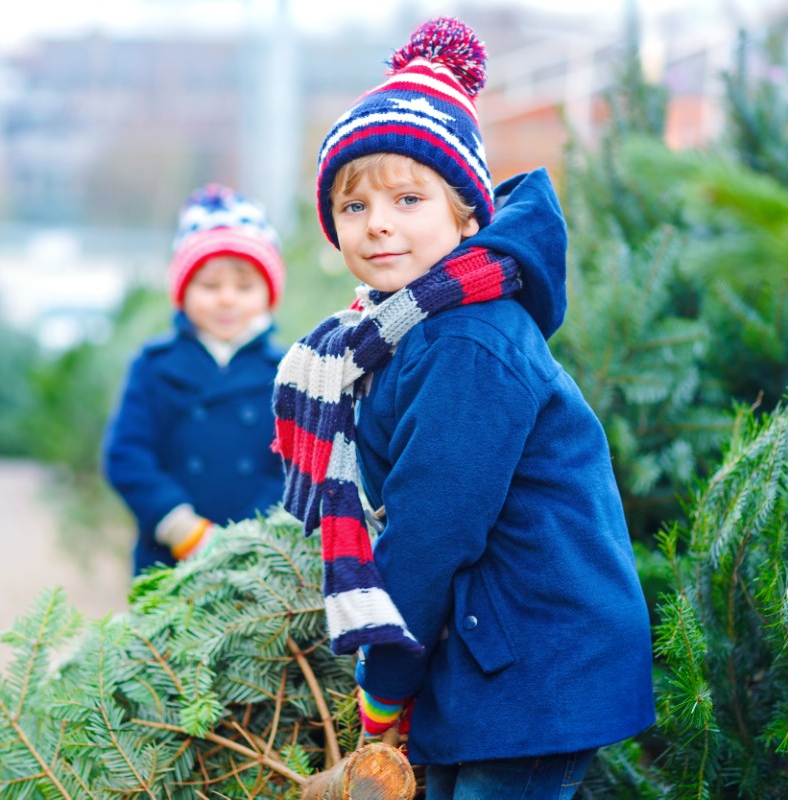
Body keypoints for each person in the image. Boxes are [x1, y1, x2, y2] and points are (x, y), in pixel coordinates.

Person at [272, 17, 655, 799]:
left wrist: (385, 682)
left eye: (408, 198)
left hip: (536, 658)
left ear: (467, 217)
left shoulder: (469, 342)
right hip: (488, 650)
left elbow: (434, 526)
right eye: (354, 206)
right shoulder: (388, 336)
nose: (378, 222)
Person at [105, 184, 287, 576]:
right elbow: (126, 455)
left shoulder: (288, 369)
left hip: (262, 564)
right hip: (169, 556)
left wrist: (259, 536)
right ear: (183, 291)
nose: (226, 299)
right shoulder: (155, 365)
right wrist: (179, 526)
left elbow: (297, 465)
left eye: (244, 287)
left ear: (268, 293)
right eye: (209, 286)